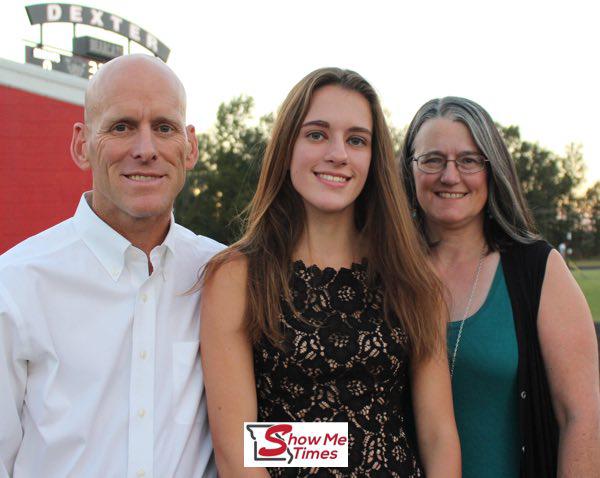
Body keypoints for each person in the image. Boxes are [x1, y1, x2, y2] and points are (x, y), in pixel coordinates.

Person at [200, 68, 460, 477]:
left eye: (356, 140)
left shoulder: (410, 278)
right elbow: (239, 453)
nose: (338, 153)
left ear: (373, 158)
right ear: (288, 146)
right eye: (317, 134)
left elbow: (438, 435)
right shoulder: (237, 277)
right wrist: (333, 443)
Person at [0, 54, 222, 477]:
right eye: (121, 127)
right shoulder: (15, 286)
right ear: (82, 145)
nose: (145, 150)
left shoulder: (221, 276)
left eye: (164, 127)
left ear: (190, 146)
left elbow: (267, 433)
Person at [400, 96, 600, 477]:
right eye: (432, 159)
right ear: (408, 171)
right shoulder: (381, 271)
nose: (450, 175)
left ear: (493, 171)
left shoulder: (537, 270)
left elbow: (582, 417)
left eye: (469, 160)